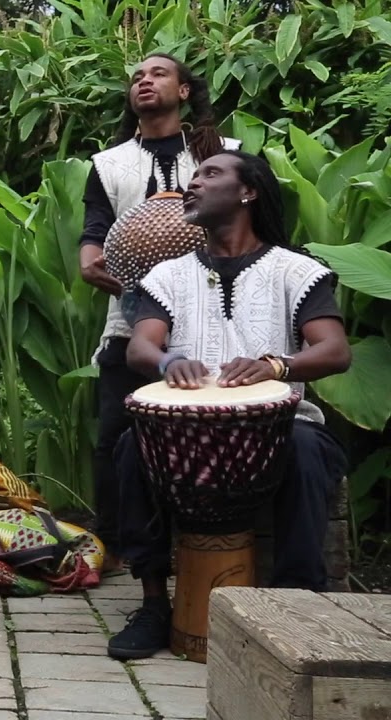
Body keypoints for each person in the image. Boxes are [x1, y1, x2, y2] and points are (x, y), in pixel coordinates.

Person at [107, 151, 351, 660]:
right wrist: (168, 359)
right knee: (131, 446)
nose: (193, 184)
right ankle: (154, 603)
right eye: (194, 175)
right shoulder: (168, 276)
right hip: (185, 430)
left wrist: (277, 366)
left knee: (307, 448)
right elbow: (140, 346)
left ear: (248, 192)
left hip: (280, 424)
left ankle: (297, 602)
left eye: (210, 174)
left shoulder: (296, 271)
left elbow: (334, 350)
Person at [79, 53, 240, 569]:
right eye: (137, 78)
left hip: (213, 315)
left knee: (202, 430)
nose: (144, 82)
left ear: (185, 91)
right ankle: (115, 544)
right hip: (129, 317)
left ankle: (195, 541)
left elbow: (252, 224)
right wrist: (89, 263)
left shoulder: (227, 154)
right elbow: (94, 232)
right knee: (115, 435)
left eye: (158, 74)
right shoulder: (109, 164)